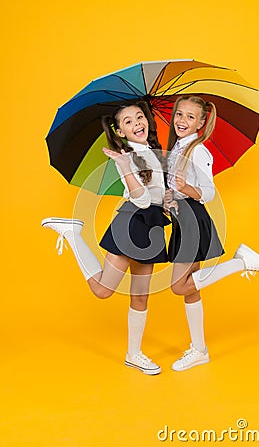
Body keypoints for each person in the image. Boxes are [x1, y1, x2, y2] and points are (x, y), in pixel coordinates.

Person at [42, 101, 170, 375]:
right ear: (120, 132)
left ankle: (133, 355)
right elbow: (144, 201)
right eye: (128, 121)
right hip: (133, 222)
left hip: (152, 226)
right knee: (103, 290)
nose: (137, 123)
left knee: (140, 297)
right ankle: (72, 234)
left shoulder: (154, 153)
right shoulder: (128, 157)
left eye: (140, 117)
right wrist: (125, 167)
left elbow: (157, 197)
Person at [164, 95, 259, 372]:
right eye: (180, 114)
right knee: (191, 290)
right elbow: (179, 187)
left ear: (201, 123)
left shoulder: (199, 151)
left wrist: (186, 190)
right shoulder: (177, 147)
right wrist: (170, 197)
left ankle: (242, 262)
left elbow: (209, 193)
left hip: (193, 219)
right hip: (183, 218)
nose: (182, 121)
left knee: (179, 286)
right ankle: (199, 350)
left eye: (191, 117)